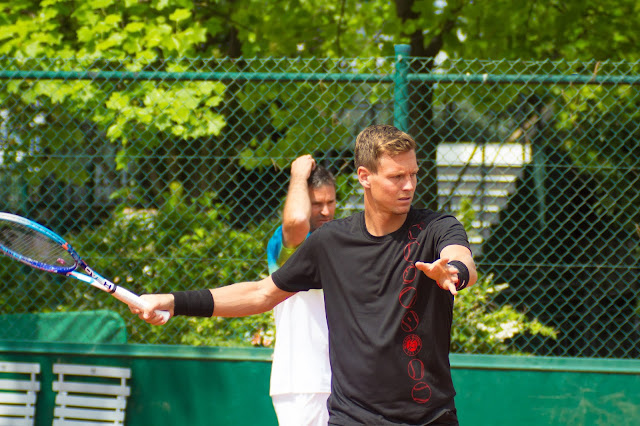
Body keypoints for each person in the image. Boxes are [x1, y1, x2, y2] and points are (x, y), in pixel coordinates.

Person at [132, 124, 477, 425]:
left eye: (414, 174)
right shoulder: (331, 242)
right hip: (352, 418)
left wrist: (454, 271)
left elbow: (460, 257)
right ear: (365, 177)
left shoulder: (436, 227)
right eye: (396, 176)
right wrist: (173, 301)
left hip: (430, 417)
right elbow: (261, 294)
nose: (409, 185)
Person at [267, 154, 336, 425]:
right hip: (303, 382)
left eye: (330, 202)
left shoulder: (341, 238)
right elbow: (296, 221)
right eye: (317, 204)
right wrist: (297, 175)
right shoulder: (286, 244)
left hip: (345, 381)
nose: (326, 211)